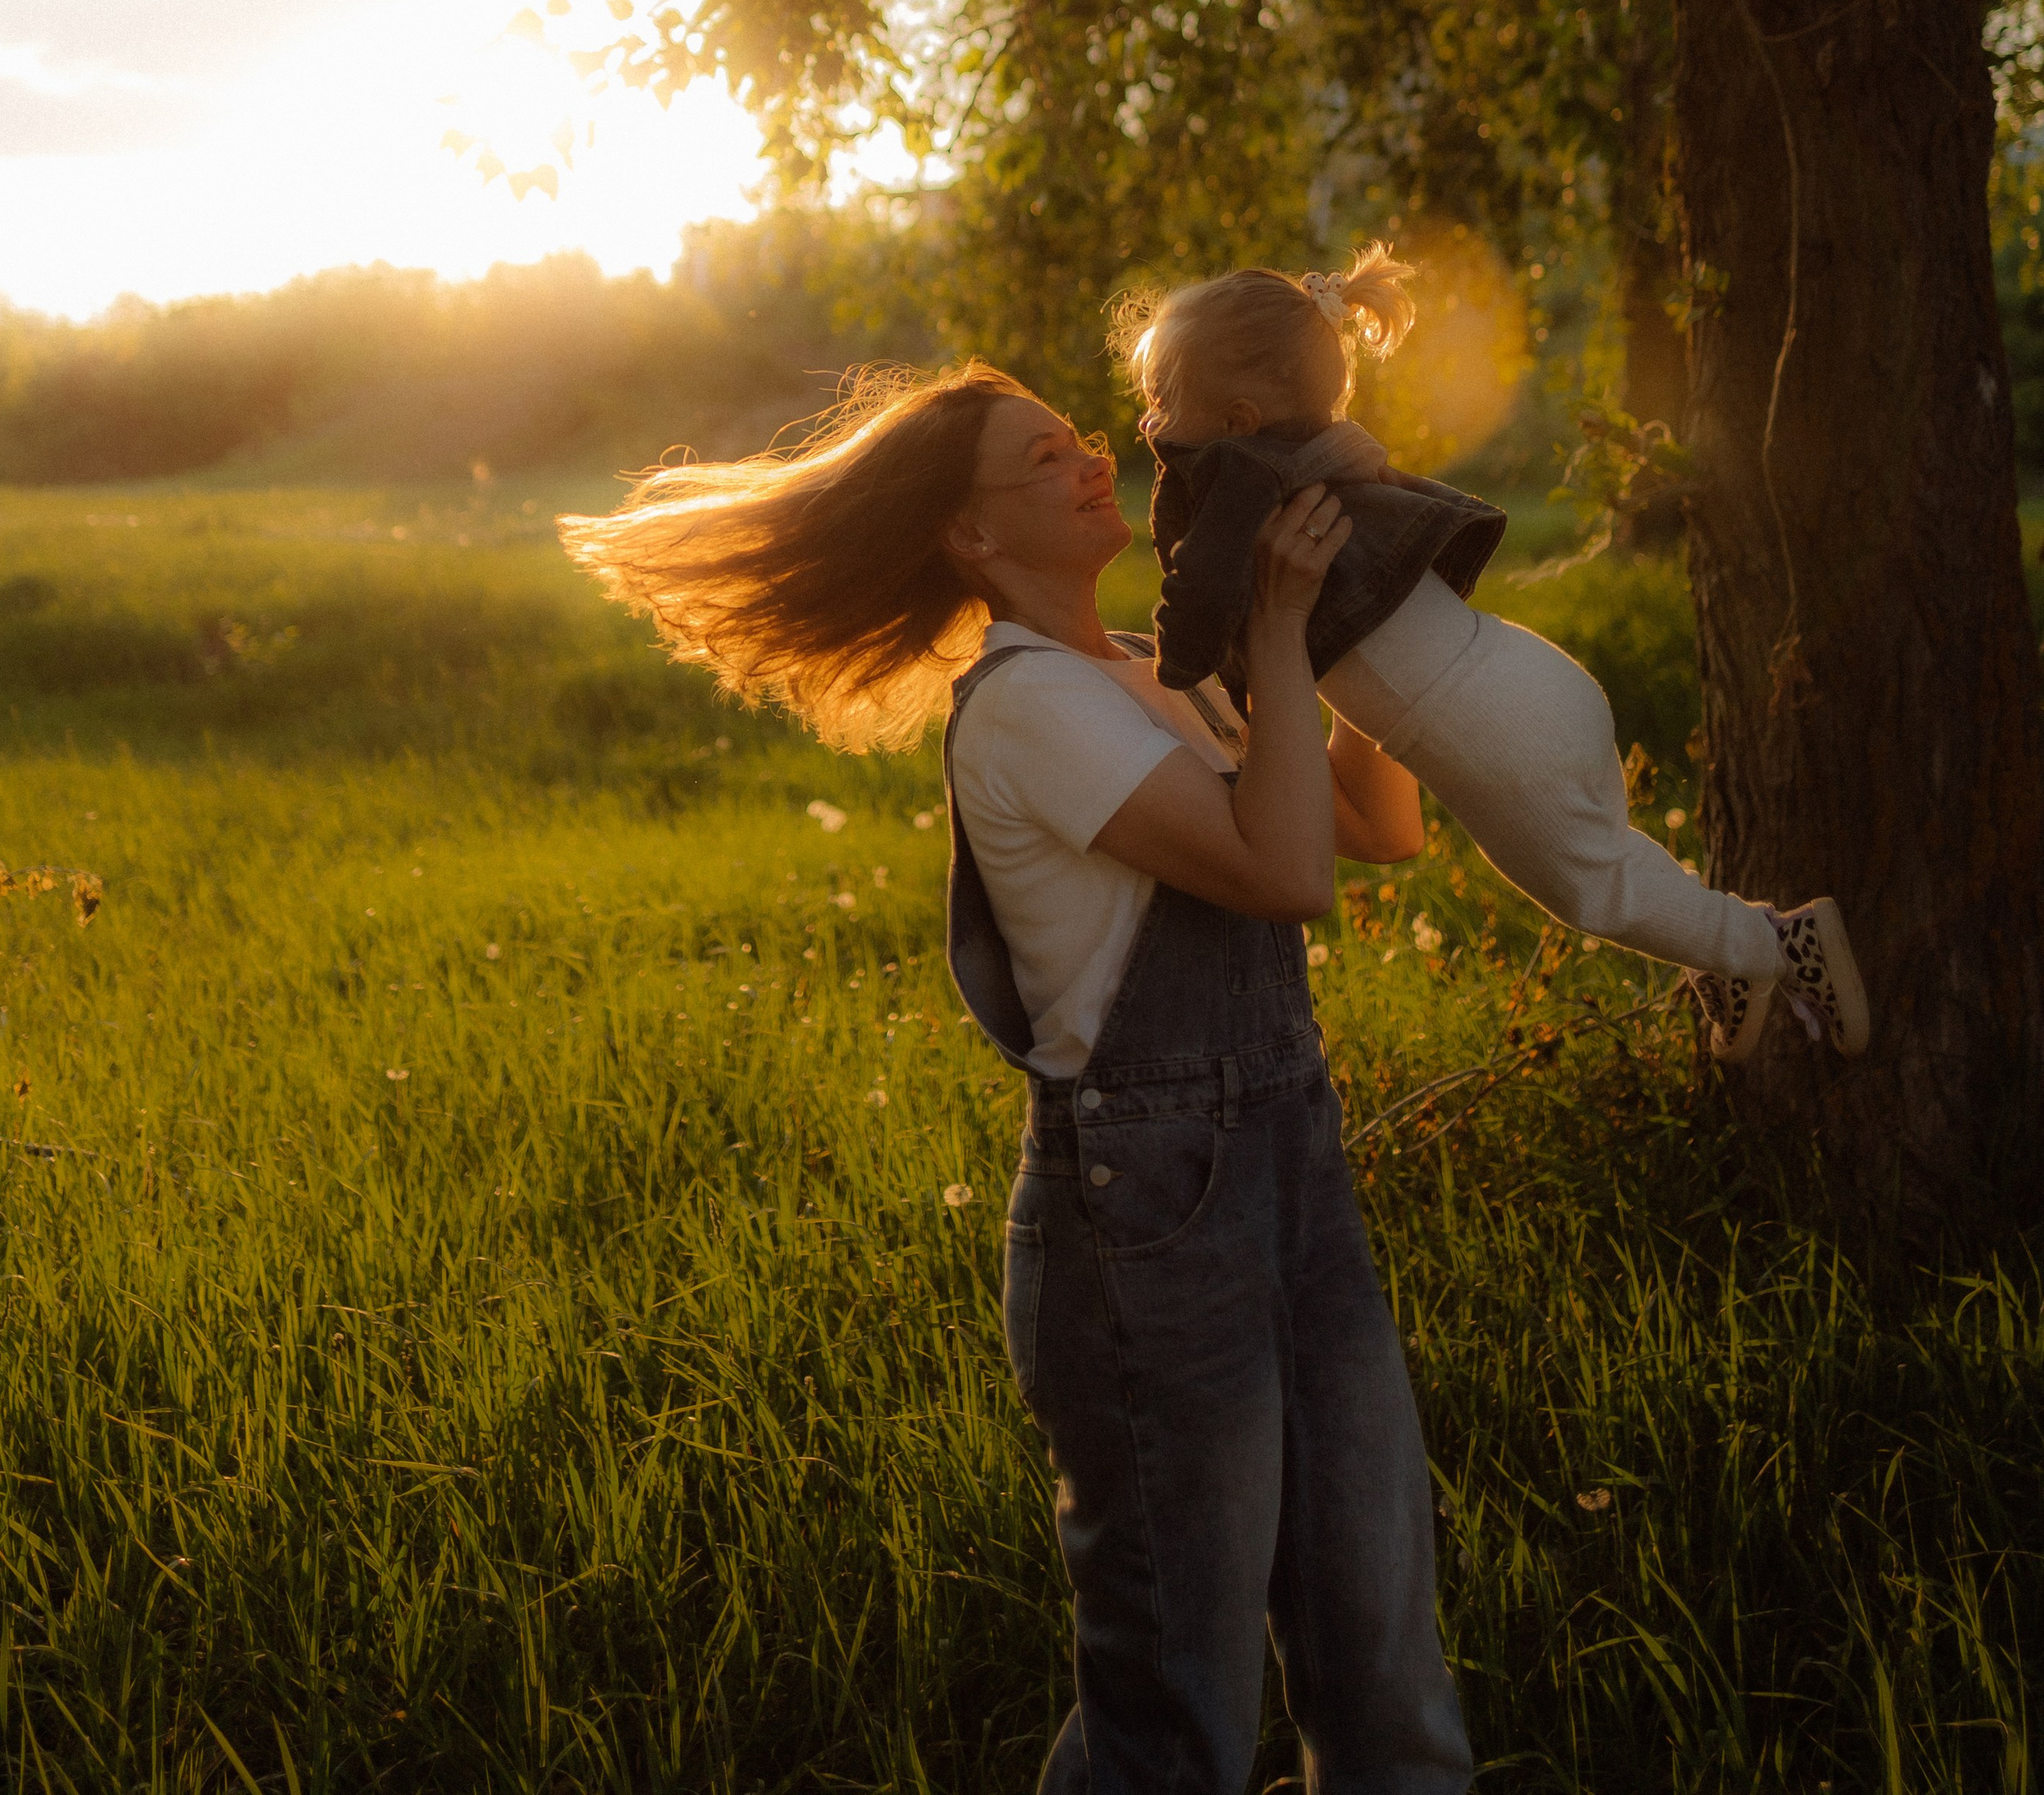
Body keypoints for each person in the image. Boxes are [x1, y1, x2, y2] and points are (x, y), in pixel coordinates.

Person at [562, 360, 1475, 1795]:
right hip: (1151, 1222)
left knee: (1381, 1661)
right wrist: (1277, 629)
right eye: (1042, 459)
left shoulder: (1155, 664)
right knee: (1176, 1706)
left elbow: (1380, 823)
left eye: (1079, 438)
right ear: (973, 536)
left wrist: (1345, 620)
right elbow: (1288, 874)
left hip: (1292, 1163)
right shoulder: (1030, 704)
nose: (1091, 462)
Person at [1121, 258, 1870, 1067]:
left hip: (1491, 731)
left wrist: (1177, 663)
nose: (1150, 419)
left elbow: (1203, 586)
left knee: (1593, 890)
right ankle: (1722, 954)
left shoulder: (1237, 470)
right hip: (1523, 673)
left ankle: (1778, 945)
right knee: (1609, 854)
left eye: (1163, 398)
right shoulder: (1323, 453)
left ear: (1237, 418)